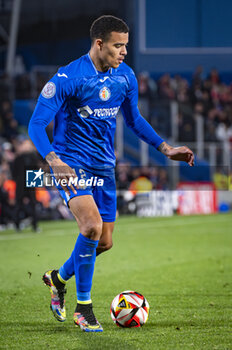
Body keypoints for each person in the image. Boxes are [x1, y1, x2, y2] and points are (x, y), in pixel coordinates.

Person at [28, 15, 194, 333]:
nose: (124, 52)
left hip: (105, 168)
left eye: (126, 46)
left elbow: (134, 120)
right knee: (90, 227)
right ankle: (84, 309)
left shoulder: (125, 77)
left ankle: (57, 278)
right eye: (118, 46)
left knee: (103, 242)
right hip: (72, 166)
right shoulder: (67, 78)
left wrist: (165, 148)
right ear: (99, 44)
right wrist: (53, 160)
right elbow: (36, 124)